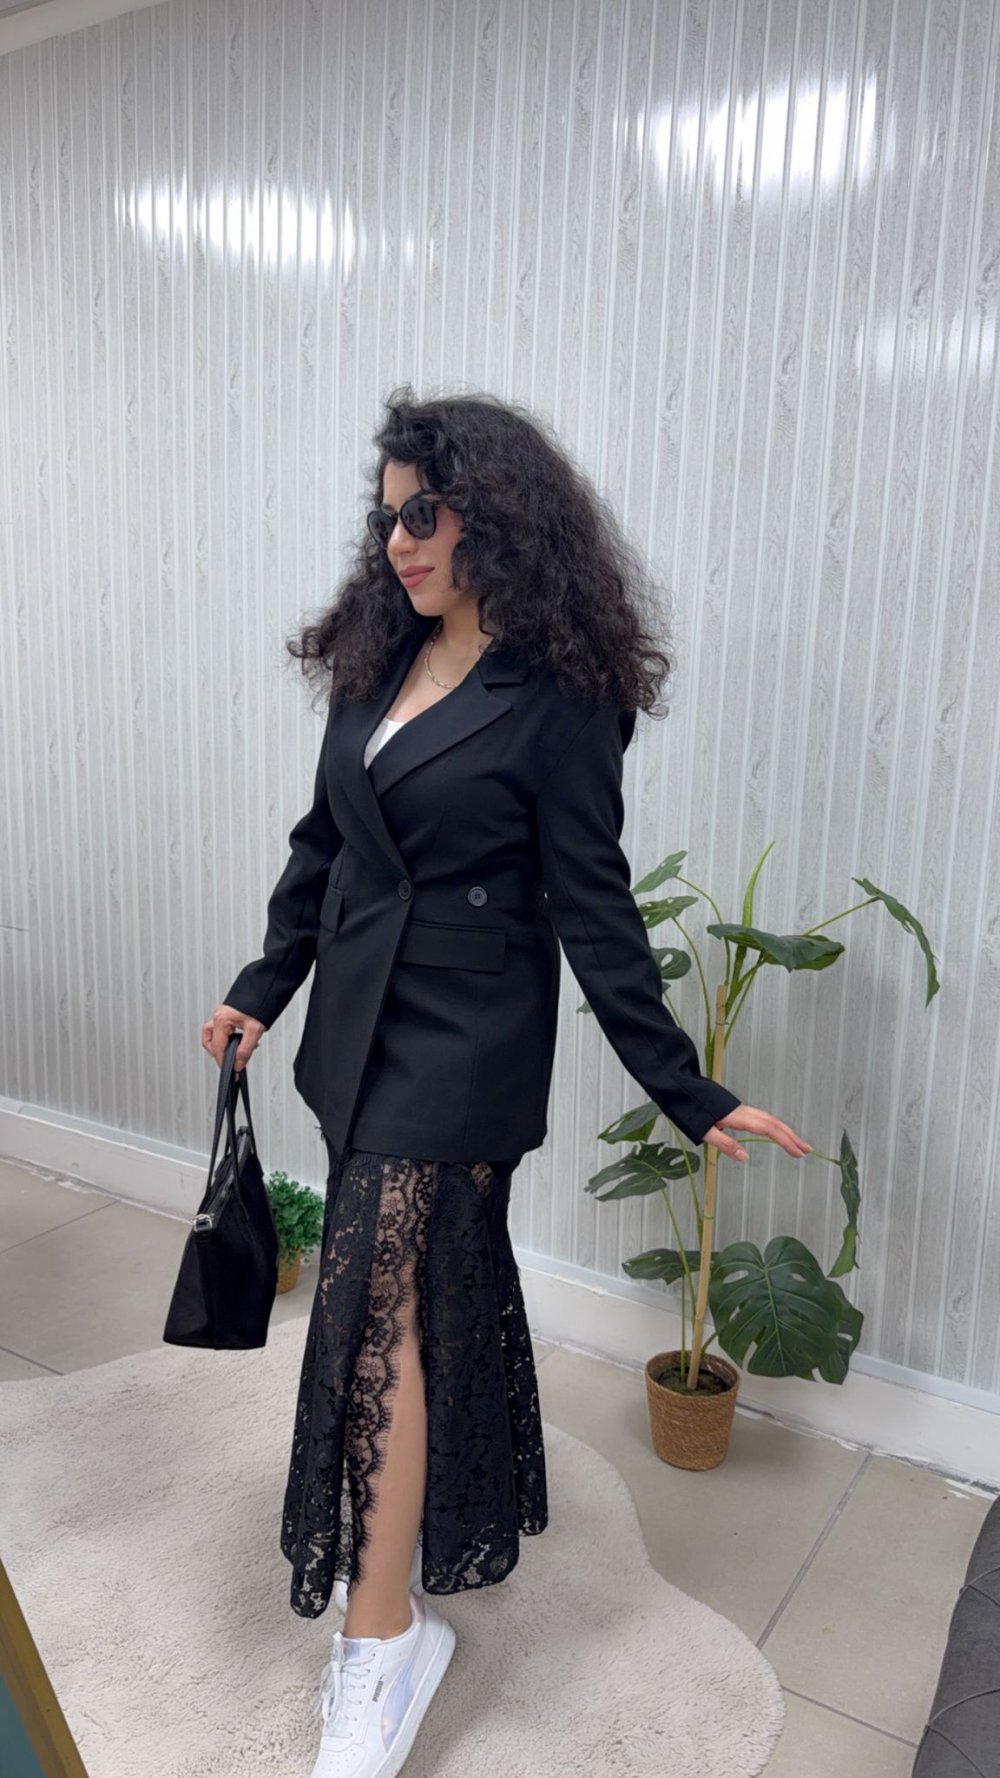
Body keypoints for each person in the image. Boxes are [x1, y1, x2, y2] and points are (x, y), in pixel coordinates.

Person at [201, 389, 811, 1778]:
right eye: (387, 516)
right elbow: (324, 846)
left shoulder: (563, 700)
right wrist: (262, 984)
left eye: (425, 511)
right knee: (407, 1306)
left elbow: (595, 906)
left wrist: (689, 1090)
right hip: (360, 1029)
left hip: (468, 1039)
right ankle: (408, 1573)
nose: (400, 540)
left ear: (500, 514)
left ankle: (380, 1640)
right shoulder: (376, 658)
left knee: (374, 1305)